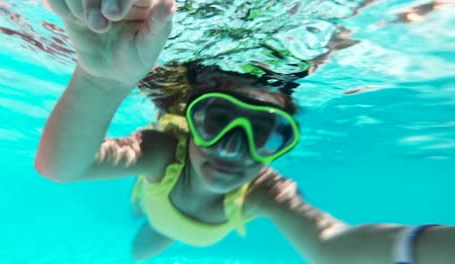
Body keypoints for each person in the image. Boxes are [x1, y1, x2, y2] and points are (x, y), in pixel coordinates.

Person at [36, 0, 455, 263]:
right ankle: (145, 209)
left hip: (176, 224)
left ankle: (152, 215)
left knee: (152, 242)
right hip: (160, 208)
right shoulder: (167, 152)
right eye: (217, 121)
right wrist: (100, 82)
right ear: (191, 121)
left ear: (280, 145)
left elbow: (331, 246)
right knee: (142, 243)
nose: (234, 150)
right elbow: (64, 167)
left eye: (264, 134)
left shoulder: (264, 192)